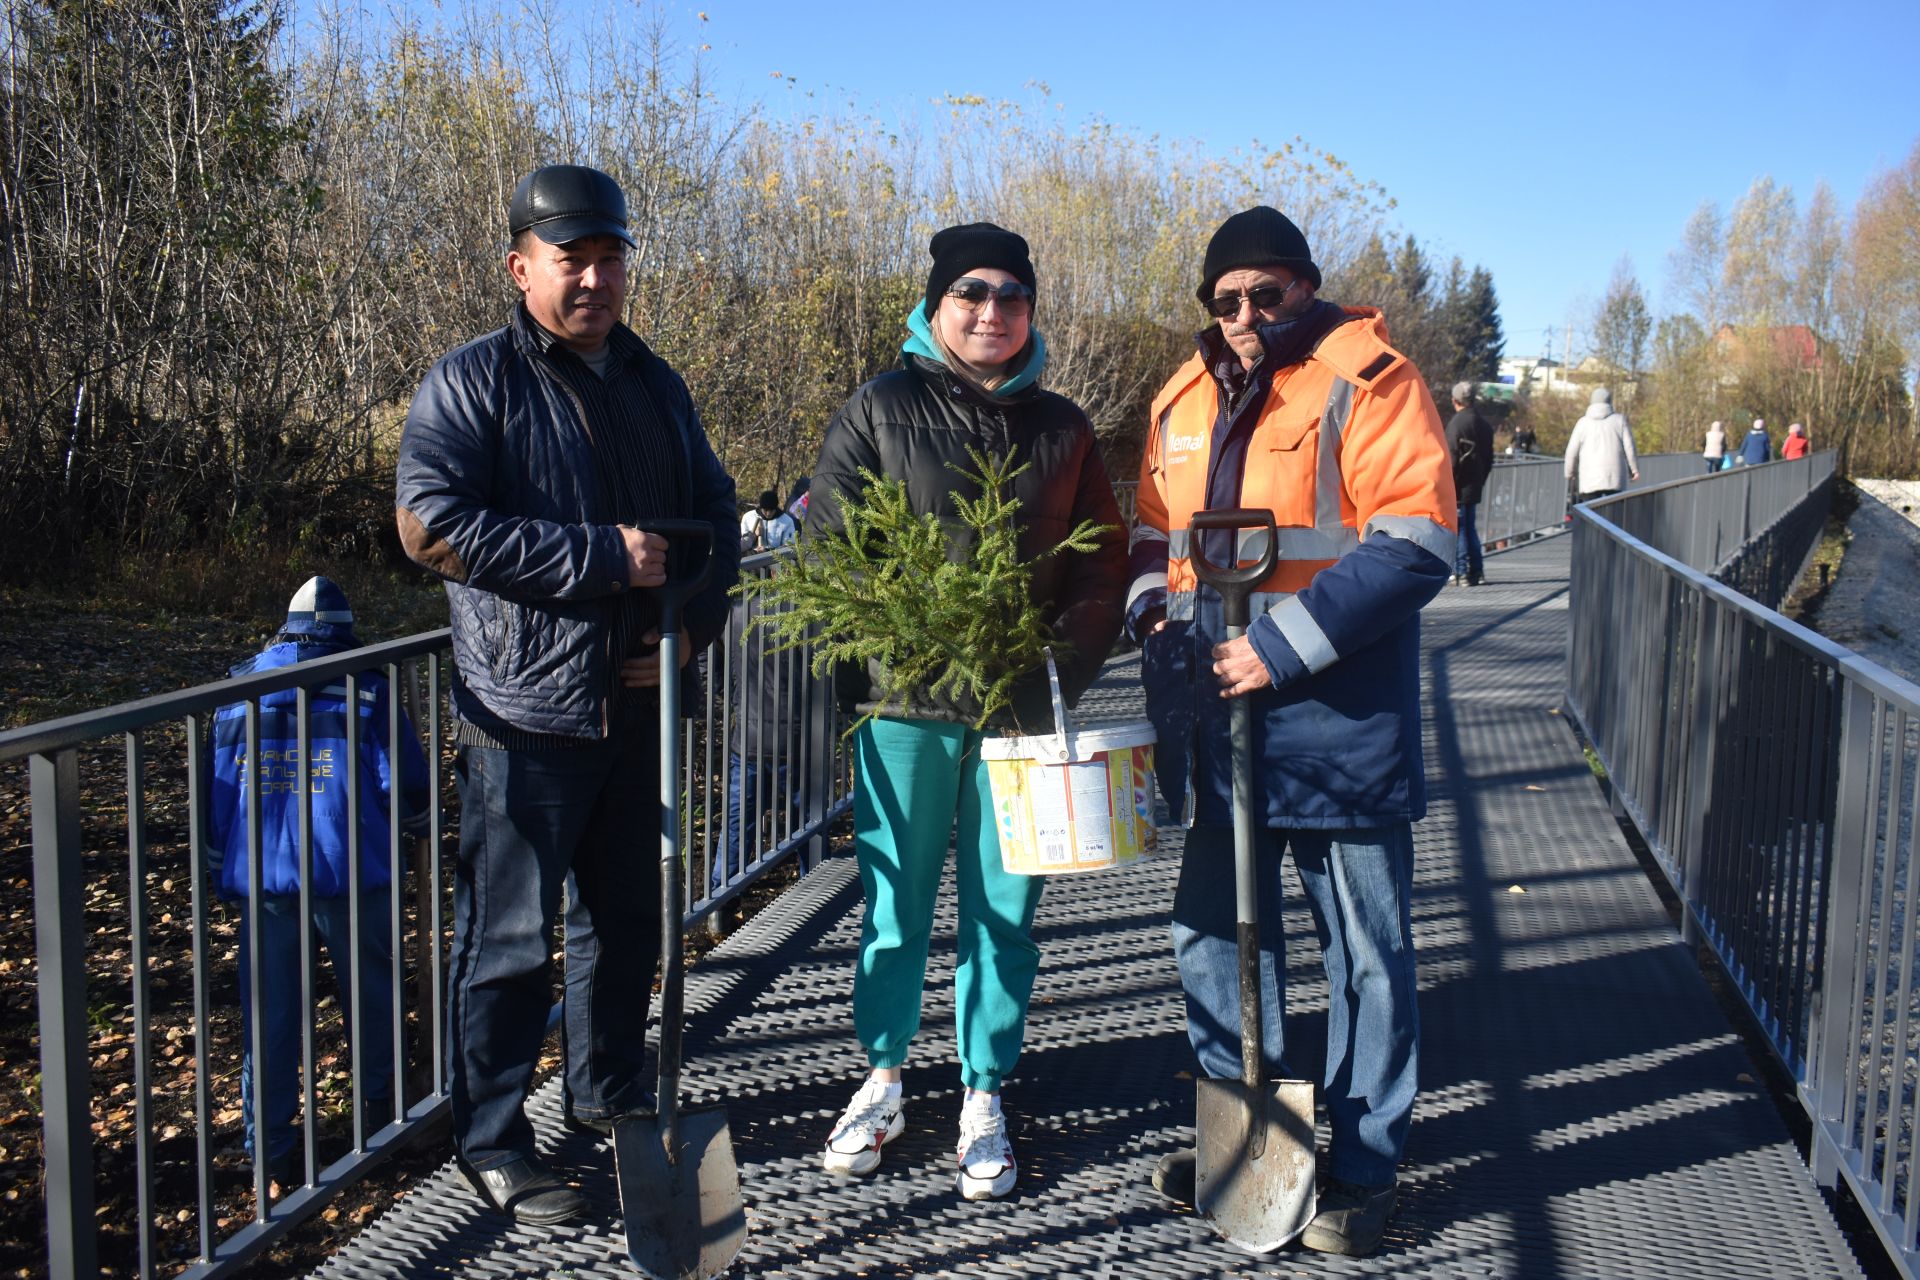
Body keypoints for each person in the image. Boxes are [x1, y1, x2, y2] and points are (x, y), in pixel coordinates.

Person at [393, 163, 739, 1225]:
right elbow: (430, 525)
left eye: (609, 257)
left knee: (625, 919)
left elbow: (716, 520)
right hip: (522, 718)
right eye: (570, 258)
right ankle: (492, 1136)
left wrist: (688, 628)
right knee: (505, 942)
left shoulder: (652, 381)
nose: (594, 278)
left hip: (637, 706)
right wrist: (601, 558)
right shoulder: (472, 381)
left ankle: (604, 1088)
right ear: (521, 265)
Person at [1126, 206, 1456, 1257]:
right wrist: (1147, 609)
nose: (1246, 315)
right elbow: (1148, 528)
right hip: (1217, 718)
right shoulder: (1179, 396)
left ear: (1306, 286)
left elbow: (1419, 537)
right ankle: (1252, 1134)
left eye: (1267, 293)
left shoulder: (1371, 377)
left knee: (1365, 949)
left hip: (1335, 717)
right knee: (1213, 934)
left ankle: (1361, 1162)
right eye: (1226, 299)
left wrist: (1284, 642)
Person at [807, 222, 1127, 1202]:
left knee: (1006, 910)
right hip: (904, 706)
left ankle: (985, 1088)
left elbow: (1101, 560)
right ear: (937, 304)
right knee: (894, 906)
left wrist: (1058, 665)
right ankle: (886, 1074)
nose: (992, 312)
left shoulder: (1064, 427)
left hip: (1018, 714)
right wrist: (867, 662)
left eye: (1012, 296)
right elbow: (831, 540)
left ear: (1030, 309)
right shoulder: (881, 406)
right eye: (972, 294)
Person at [208, 576, 428, 1187]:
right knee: (372, 998)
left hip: (265, 873)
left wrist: (218, 855)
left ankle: (269, 1150)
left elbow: (220, 791)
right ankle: (378, 1122)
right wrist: (417, 816)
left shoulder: (242, 687)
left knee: (270, 1013)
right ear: (343, 631)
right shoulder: (366, 684)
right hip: (351, 868)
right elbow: (401, 781)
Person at [1445, 381, 1495, 586]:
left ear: (1455, 401)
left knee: (1461, 528)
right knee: (1470, 527)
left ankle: (1461, 571)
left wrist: (1448, 484)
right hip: (1475, 483)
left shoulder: (1456, 424)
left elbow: (1452, 459)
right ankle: (1477, 571)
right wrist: (1481, 479)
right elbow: (1490, 458)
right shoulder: (1484, 425)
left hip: (1458, 485)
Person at [1564, 386, 1640, 503]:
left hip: (1589, 479)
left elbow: (1571, 451)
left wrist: (1570, 473)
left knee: (1591, 514)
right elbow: (1629, 447)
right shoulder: (1619, 420)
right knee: (1614, 515)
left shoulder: (1583, 423)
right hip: (1615, 478)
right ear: (1609, 401)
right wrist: (1634, 470)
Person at [740, 488, 797, 552]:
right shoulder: (748, 517)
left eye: (771, 510)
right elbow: (742, 546)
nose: (768, 513)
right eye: (765, 510)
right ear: (761, 507)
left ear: (776, 507)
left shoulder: (787, 521)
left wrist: (767, 551)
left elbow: (789, 547)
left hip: (776, 560)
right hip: (751, 559)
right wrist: (754, 536)